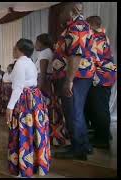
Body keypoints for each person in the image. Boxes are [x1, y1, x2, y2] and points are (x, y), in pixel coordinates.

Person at [52, 2, 96, 160]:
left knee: (73, 112)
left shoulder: (77, 26)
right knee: (76, 111)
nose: (59, 15)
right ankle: (82, 144)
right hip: (77, 76)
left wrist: (69, 80)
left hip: (76, 77)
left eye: (61, 12)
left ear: (70, 11)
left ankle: (78, 149)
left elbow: (76, 55)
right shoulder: (75, 26)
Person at [6, 38, 50, 177]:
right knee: (33, 131)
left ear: (19, 49)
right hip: (34, 98)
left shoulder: (20, 62)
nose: (13, 49)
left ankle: (23, 168)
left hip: (25, 100)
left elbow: (18, 87)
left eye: (14, 47)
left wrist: (10, 107)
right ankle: (35, 164)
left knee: (23, 132)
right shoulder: (30, 62)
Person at [84, 16, 117, 149]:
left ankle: (102, 140)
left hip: (102, 77)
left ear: (92, 24)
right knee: (97, 107)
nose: (85, 27)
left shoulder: (97, 38)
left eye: (87, 24)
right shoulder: (101, 36)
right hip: (104, 76)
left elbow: (92, 58)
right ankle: (102, 134)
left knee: (100, 109)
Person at [35, 33, 68, 146]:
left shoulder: (44, 53)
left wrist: (38, 90)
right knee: (52, 110)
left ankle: (49, 137)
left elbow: (43, 73)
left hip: (44, 84)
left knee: (46, 111)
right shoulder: (49, 51)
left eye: (37, 42)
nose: (35, 45)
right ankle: (55, 137)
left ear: (42, 43)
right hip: (49, 83)